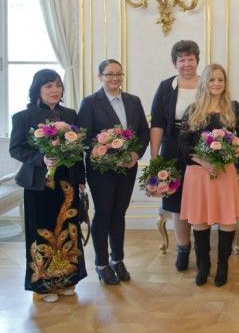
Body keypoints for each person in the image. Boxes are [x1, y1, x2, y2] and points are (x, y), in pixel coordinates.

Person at [9, 69, 87, 303]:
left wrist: (81, 180)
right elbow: (16, 149)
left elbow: (79, 151)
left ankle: (67, 280)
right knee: (41, 231)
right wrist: (40, 158)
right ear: (38, 90)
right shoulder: (23, 117)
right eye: (48, 87)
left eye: (58, 85)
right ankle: (43, 285)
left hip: (67, 183)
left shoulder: (71, 114)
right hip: (39, 185)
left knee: (68, 231)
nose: (54, 90)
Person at [77, 59, 150, 285]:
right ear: (100, 77)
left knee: (119, 213)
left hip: (128, 167)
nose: (114, 78)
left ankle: (117, 259)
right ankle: (101, 264)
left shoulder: (133, 101)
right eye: (109, 74)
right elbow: (84, 138)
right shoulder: (90, 103)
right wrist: (106, 153)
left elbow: (143, 134)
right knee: (103, 213)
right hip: (102, 170)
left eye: (118, 74)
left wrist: (135, 155)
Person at [179, 64, 239, 286]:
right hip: (199, 173)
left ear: (225, 83)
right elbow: (182, 144)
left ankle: (223, 266)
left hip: (225, 171)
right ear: (204, 83)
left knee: (227, 220)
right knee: (200, 221)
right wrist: (204, 162)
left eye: (220, 80)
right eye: (212, 80)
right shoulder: (192, 110)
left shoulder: (234, 108)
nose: (216, 84)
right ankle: (203, 266)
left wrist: (235, 152)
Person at [150, 40, 200, 271]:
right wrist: (154, 156)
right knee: (177, 202)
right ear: (174, 63)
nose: (186, 64)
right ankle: (182, 248)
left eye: (190, 59)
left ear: (197, 61)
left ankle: (202, 251)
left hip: (202, 149)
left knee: (200, 199)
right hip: (171, 150)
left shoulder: (207, 85)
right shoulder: (165, 87)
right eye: (182, 59)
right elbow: (158, 124)